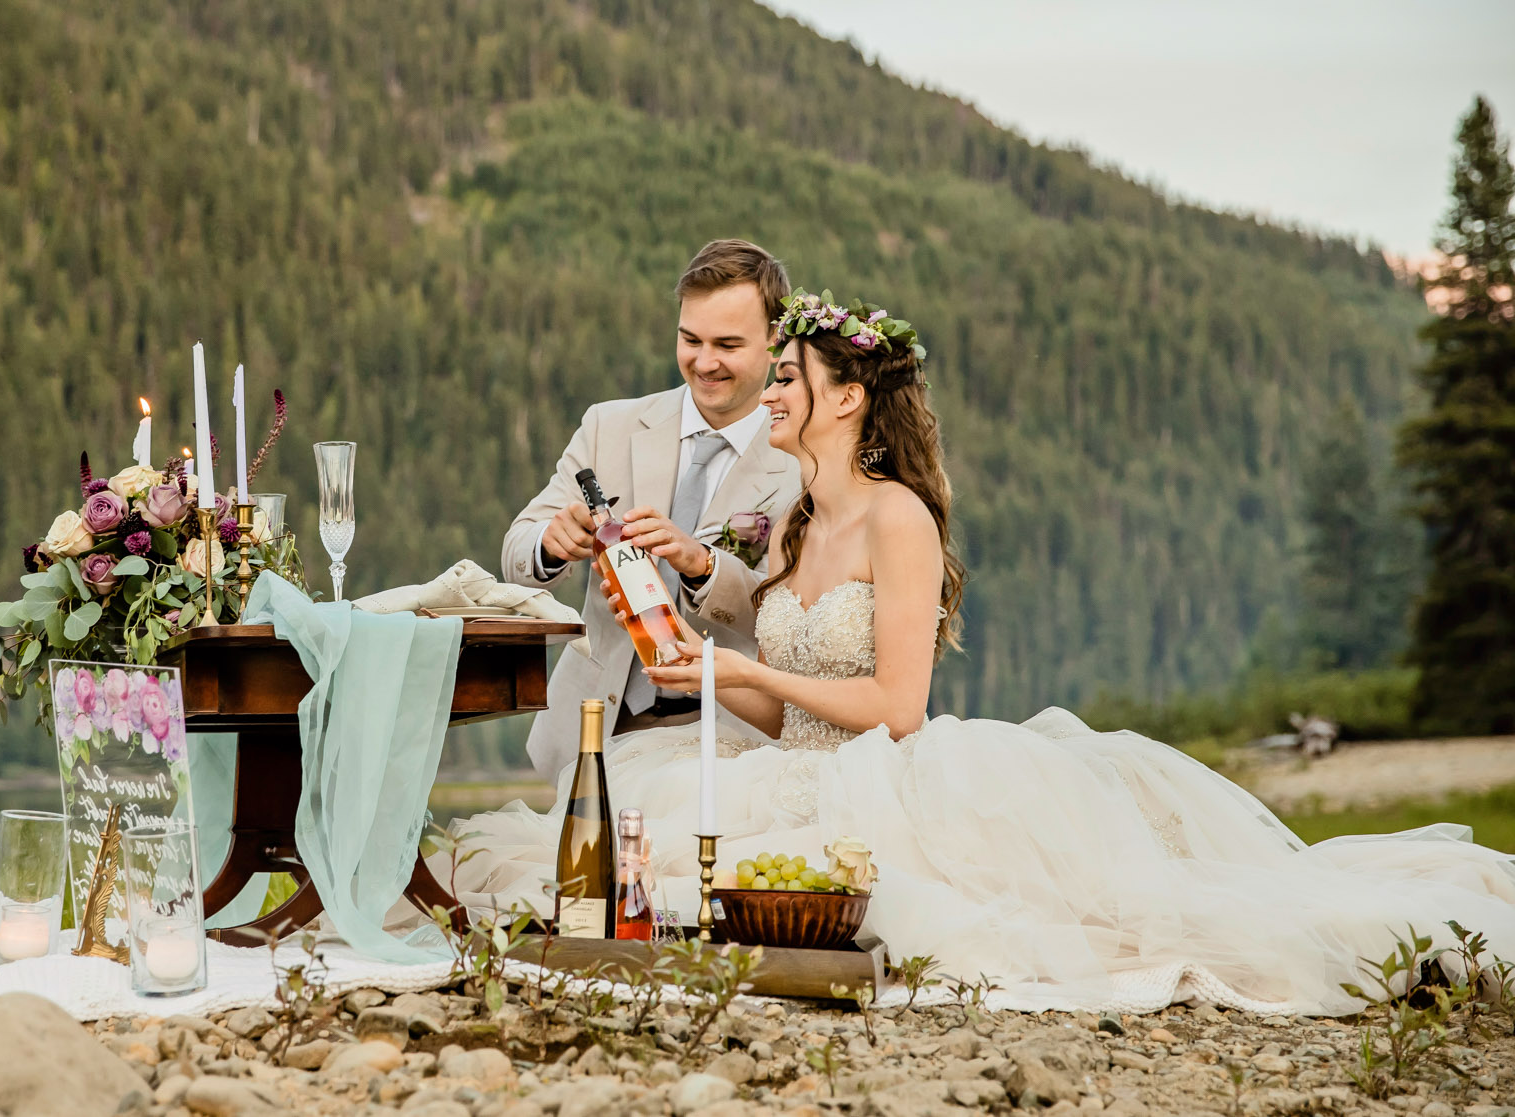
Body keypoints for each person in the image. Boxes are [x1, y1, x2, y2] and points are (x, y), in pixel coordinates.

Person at [455, 290, 1515, 1014]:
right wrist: (704, 662)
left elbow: (896, 704)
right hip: (784, 766)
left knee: (1074, 927)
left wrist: (734, 672)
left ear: (847, 396)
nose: (765, 394)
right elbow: (793, 712)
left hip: (887, 770)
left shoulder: (899, 519)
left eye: (787, 378)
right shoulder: (788, 524)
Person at [503, 240, 803, 783]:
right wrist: (551, 543)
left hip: (728, 741)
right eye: (690, 340)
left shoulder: (801, 461)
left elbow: (794, 616)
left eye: (727, 345)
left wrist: (704, 565)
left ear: (775, 342)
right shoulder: (608, 425)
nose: (704, 362)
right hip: (592, 730)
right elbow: (515, 551)